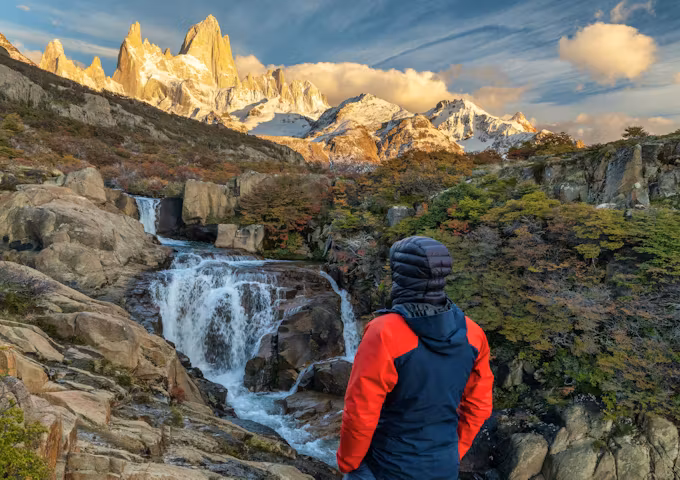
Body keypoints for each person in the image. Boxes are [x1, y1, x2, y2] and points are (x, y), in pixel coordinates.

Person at [337, 236, 494, 480]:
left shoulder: (384, 332)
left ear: (400, 276)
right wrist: (454, 451)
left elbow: (360, 412)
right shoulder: (473, 333)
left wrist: (348, 463)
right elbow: (479, 406)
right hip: (444, 465)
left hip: (386, 466)